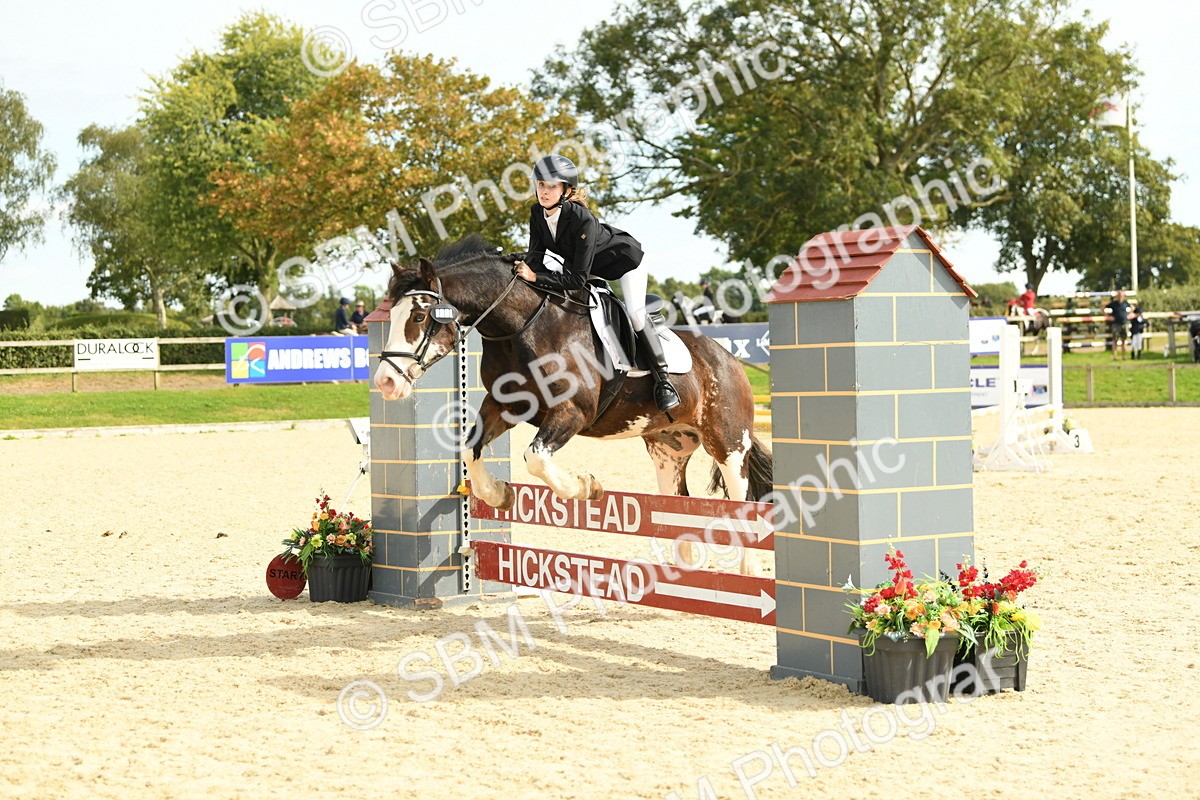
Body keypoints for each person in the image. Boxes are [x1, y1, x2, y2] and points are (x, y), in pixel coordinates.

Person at [513, 154, 680, 412]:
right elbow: (535, 258)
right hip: (585, 266)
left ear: (566, 190)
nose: (544, 191)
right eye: (541, 184)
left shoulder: (582, 219)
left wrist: (535, 277)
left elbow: (577, 279)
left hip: (624, 262)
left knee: (635, 314)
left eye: (551, 186)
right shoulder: (537, 213)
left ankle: (663, 381)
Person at [1104, 290, 1132, 360]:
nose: (1120, 297)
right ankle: (1115, 357)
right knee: (1115, 340)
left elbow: (1132, 308)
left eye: (1121, 296)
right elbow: (1103, 307)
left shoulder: (1126, 303)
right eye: (1119, 295)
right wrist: (1108, 316)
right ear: (1117, 296)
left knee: (1123, 341)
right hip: (1116, 324)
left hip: (1124, 323)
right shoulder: (1113, 304)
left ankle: (1124, 356)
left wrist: (1129, 315)